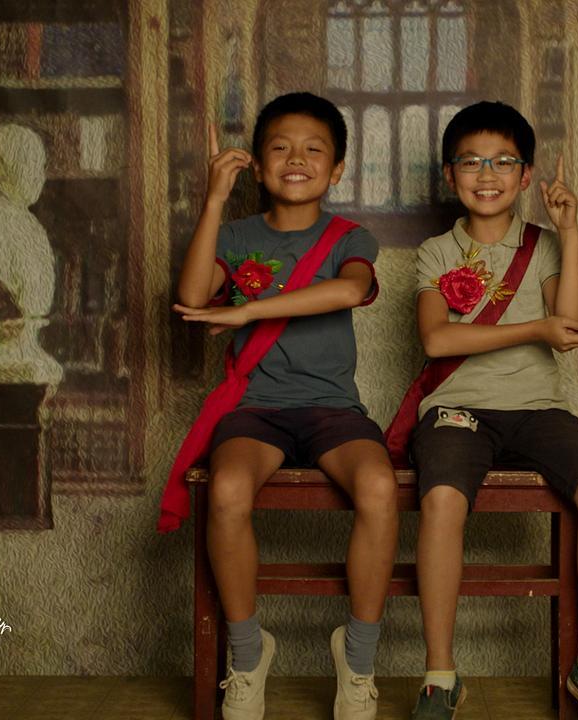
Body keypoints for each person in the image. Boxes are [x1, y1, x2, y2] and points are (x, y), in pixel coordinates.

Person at [159, 92, 398, 720]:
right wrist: (214, 199)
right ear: (259, 167)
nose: (297, 159)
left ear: (337, 168)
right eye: (281, 148)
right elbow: (192, 297)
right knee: (228, 490)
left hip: (333, 408)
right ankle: (247, 655)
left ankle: (358, 659)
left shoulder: (350, 237)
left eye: (314, 149)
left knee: (379, 487)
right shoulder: (236, 235)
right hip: (256, 409)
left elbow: (349, 290)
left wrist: (250, 311)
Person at [395, 101, 578, 720]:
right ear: (449, 174)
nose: (487, 174)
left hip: (536, 407)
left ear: (526, 176)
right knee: (441, 499)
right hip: (457, 409)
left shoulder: (545, 245)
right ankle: (440, 675)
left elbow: (571, 325)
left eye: (503, 162)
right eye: (471, 161)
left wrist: (571, 233)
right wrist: (534, 328)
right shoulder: (436, 252)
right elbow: (437, 340)